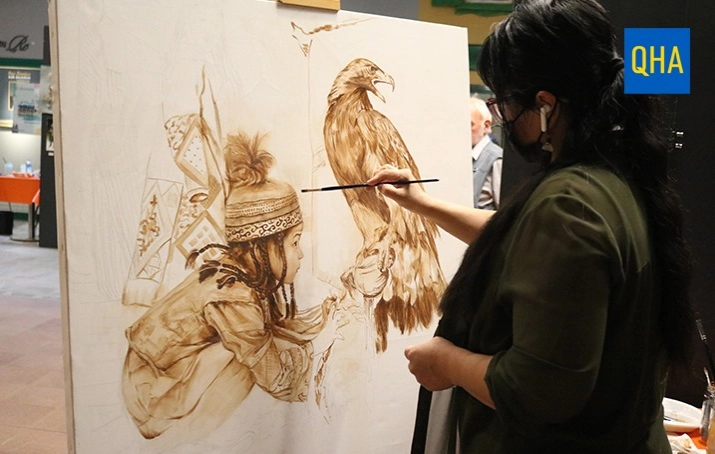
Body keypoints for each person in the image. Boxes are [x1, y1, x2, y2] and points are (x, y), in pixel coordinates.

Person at [367, 0, 693, 452]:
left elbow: (538, 390)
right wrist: (421, 203)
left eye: (505, 104)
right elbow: (523, 242)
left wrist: (447, 361)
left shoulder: (569, 204)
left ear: (544, 106)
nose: (503, 117)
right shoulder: (612, 176)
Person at [122, 131, 336, 440]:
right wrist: (323, 371)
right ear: (265, 246)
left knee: (264, 339)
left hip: (159, 373)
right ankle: (191, 437)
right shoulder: (233, 293)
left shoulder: (240, 273)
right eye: (294, 242)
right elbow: (277, 379)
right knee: (246, 357)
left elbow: (282, 327)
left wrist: (324, 316)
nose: (300, 254)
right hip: (149, 393)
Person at [470, 96, 503, 210]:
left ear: (486, 126)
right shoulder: (462, 156)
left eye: (470, 124)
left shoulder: (496, 159)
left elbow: (504, 210)